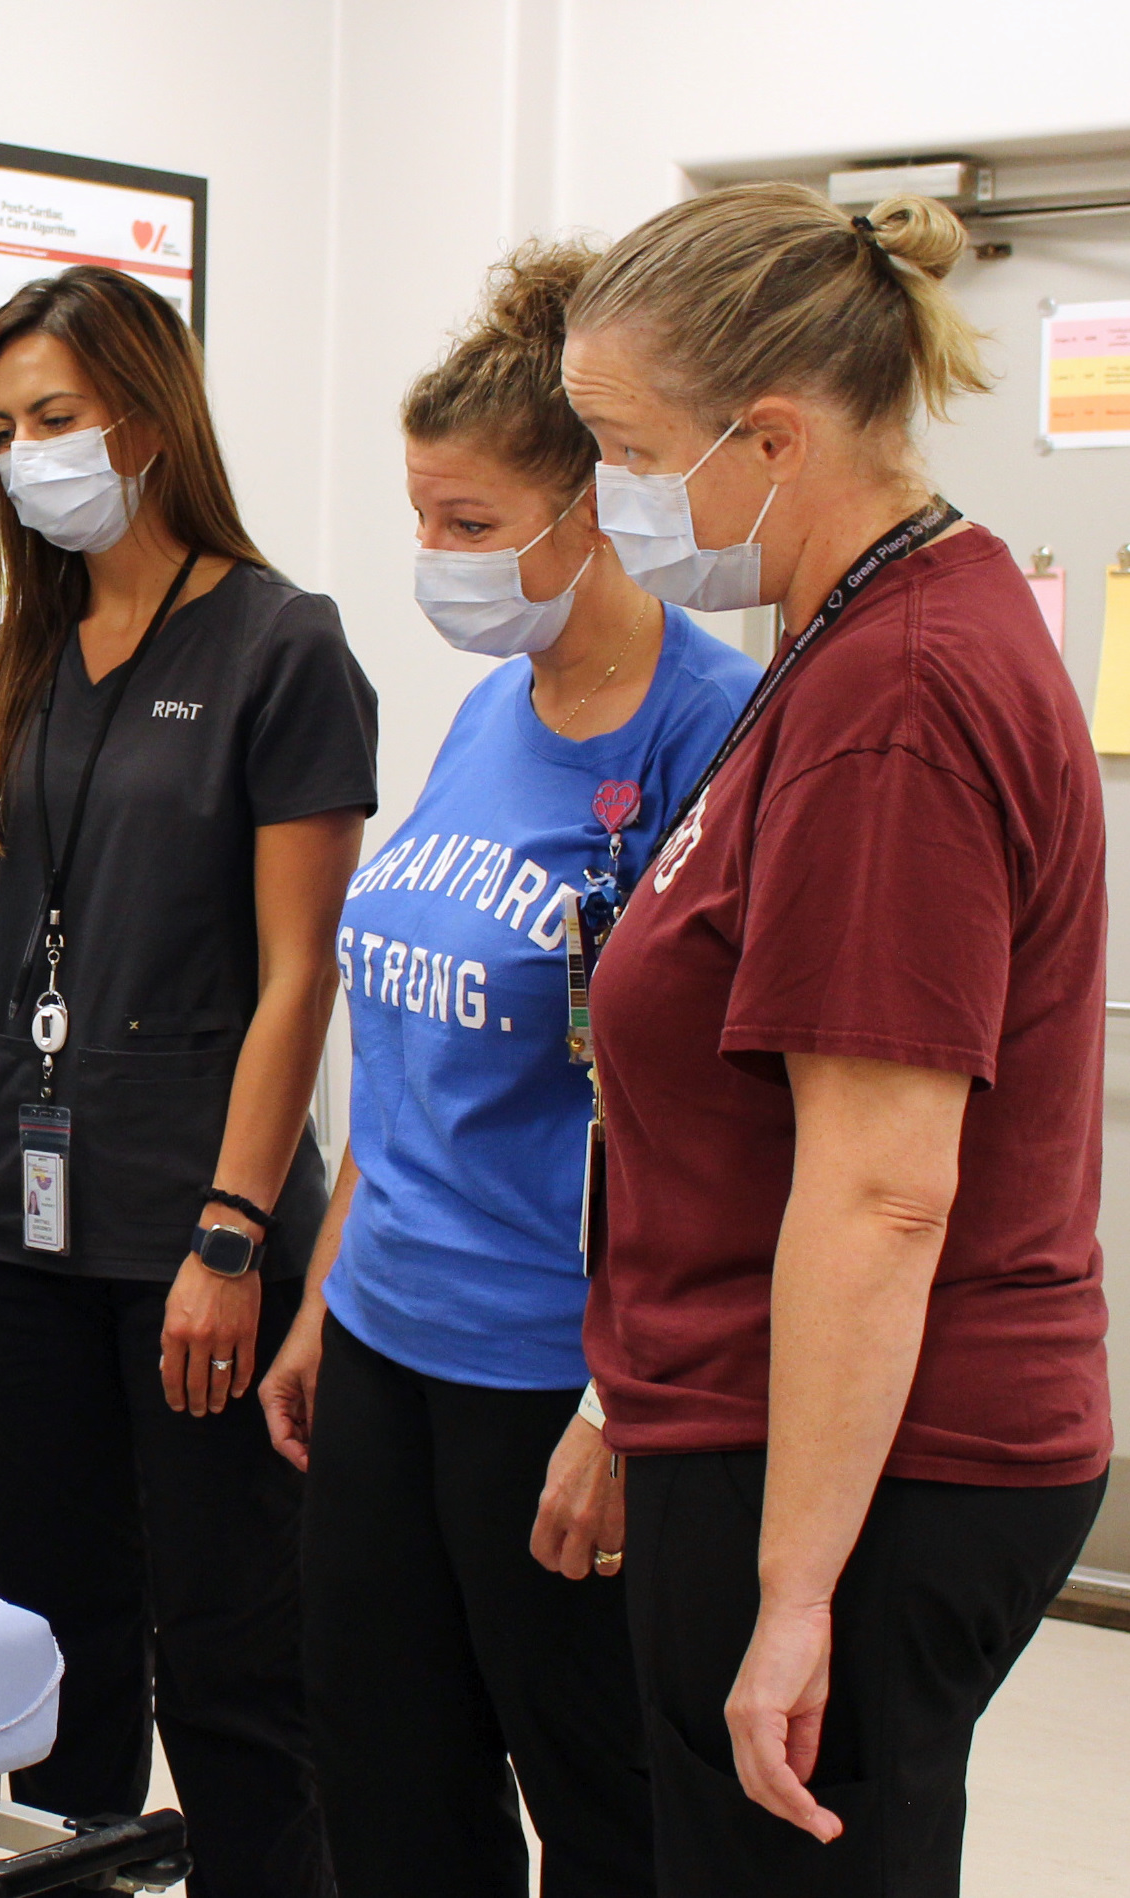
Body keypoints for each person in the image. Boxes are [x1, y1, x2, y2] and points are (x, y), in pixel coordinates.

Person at [541, 184, 1110, 1895]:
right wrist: (626, 1393)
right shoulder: (849, 631)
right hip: (776, 1418)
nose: (604, 498)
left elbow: (879, 1192)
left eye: (620, 448)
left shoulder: (900, 697)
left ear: (769, 437)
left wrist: (794, 1594)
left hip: (875, 1462)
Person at [254, 242, 756, 1897]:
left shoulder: (710, 729)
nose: (432, 559)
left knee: (600, 1798)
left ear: (596, 505)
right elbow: (395, 1059)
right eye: (419, 517)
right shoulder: (492, 705)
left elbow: (725, 1124)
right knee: (390, 1777)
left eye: (469, 525)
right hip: (392, 1336)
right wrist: (325, 1299)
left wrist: (625, 1403)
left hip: (560, 1369)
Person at [0, 264, 375, 1890]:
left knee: (236, 1656)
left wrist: (233, 1234)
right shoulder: (21, 651)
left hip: (193, 1230)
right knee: (54, 1636)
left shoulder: (279, 641)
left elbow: (299, 972)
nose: (29, 452)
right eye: (6, 426)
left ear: (149, 422)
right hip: (20, 1232)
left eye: (59, 417)